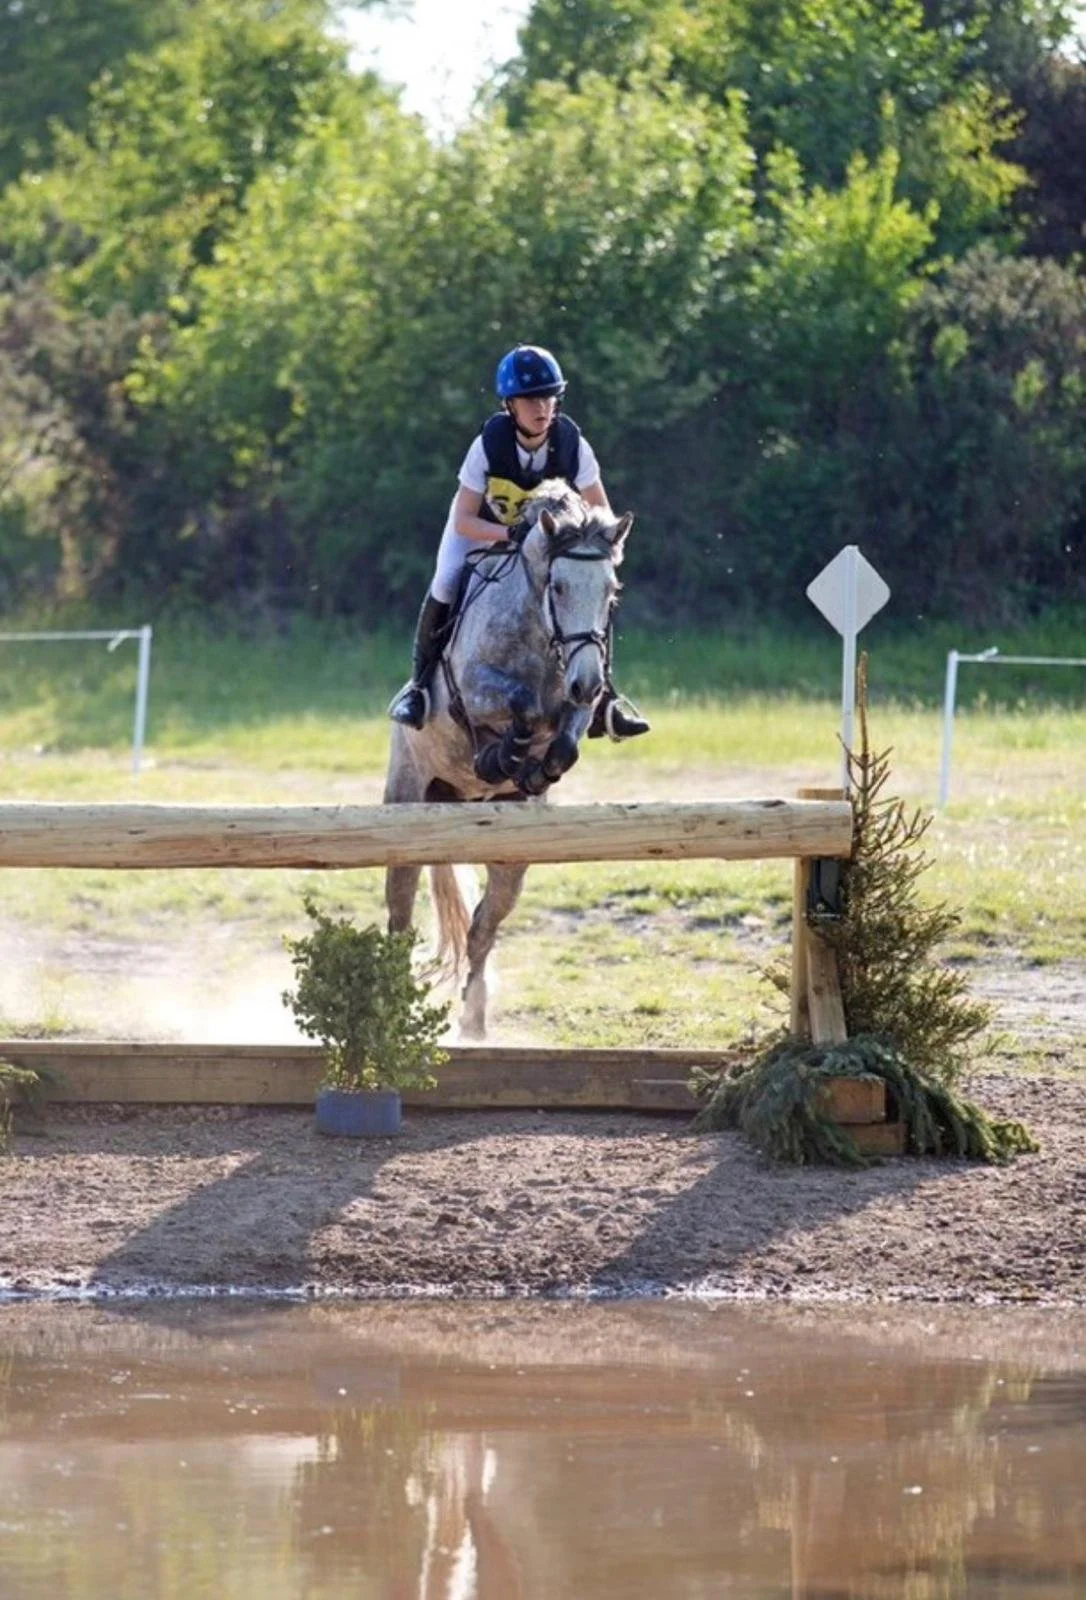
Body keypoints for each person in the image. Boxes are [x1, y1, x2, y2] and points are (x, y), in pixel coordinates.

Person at [388, 343, 650, 739]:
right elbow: (464, 521)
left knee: (590, 592)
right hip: (487, 531)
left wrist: (605, 549)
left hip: (548, 544)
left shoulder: (572, 443)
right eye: (530, 400)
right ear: (509, 405)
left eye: (548, 397)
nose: (541, 408)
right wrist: (510, 534)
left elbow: (603, 513)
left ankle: (607, 699)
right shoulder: (488, 445)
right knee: (445, 579)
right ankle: (420, 687)